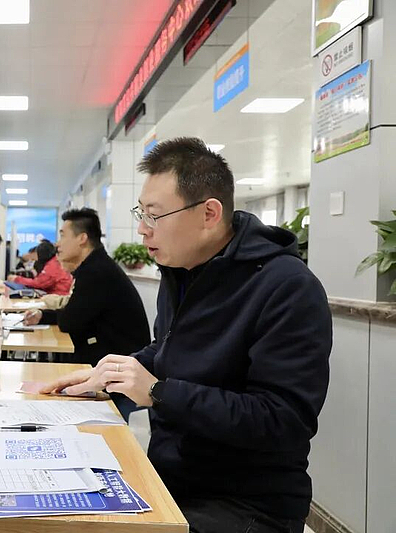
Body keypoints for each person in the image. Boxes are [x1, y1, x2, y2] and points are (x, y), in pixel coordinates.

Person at [41, 138, 332, 533]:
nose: (142, 229)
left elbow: (283, 420)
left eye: (154, 216)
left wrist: (158, 392)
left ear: (209, 213)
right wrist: (111, 373)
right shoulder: (182, 271)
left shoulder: (287, 287)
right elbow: (168, 348)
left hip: (246, 504)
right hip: (173, 480)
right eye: (140, 213)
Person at [23, 208, 150, 366]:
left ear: (82, 238)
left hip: (119, 367)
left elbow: (69, 321)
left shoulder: (96, 271)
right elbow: (74, 313)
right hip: (109, 358)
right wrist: (42, 315)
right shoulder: (96, 265)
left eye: (63, 235)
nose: (58, 244)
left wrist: (47, 315)